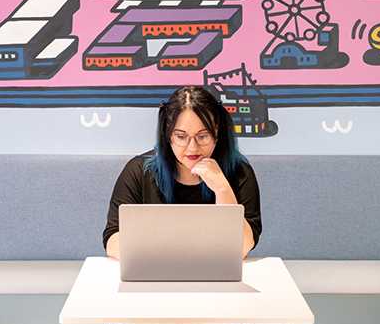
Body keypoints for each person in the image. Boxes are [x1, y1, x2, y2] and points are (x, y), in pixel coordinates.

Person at [103, 85, 262, 261]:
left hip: (216, 278)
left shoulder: (240, 172)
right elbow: (113, 240)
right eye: (181, 137)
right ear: (168, 135)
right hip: (155, 273)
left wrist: (222, 189)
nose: (192, 147)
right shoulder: (139, 171)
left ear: (217, 133)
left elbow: (244, 246)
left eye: (203, 136)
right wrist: (170, 258)